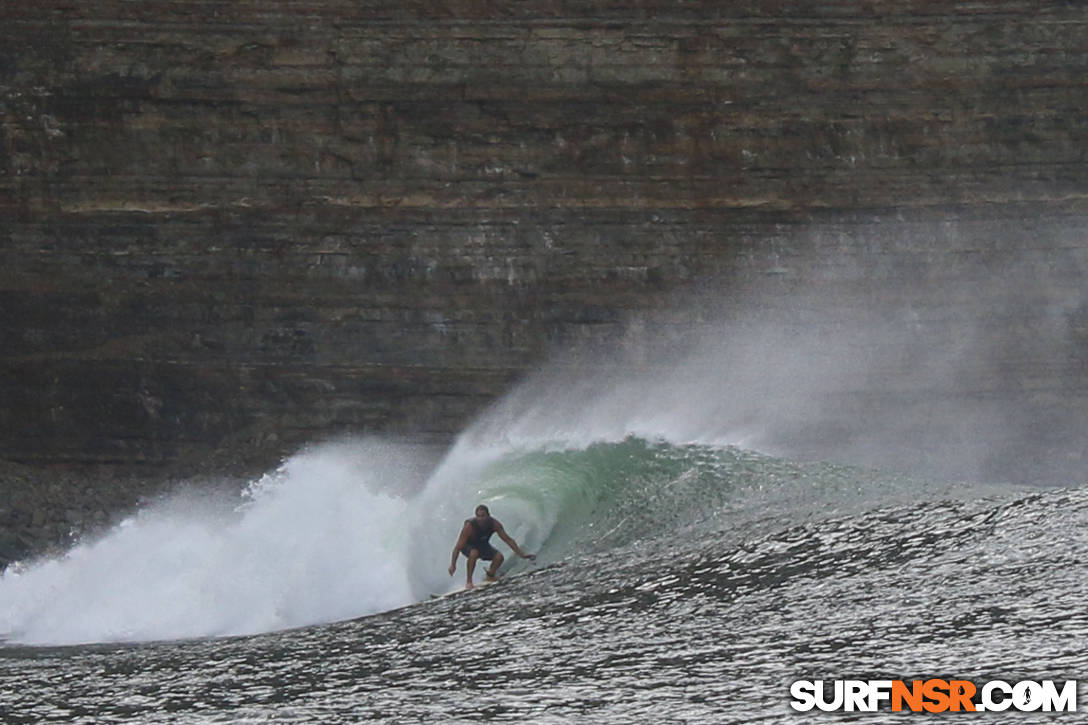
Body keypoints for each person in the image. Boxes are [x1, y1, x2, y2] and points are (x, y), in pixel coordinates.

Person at [448, 504, 535, 589]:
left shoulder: (494, 524)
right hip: (467, 546)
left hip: (482, 545)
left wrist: (522, 554)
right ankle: (469, 582)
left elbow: (508, 540)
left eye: (483, 516)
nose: (480, 519)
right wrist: (453, 565)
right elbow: (457, 548)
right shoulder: (469, 526)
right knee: (474, 553)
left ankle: (490, 575)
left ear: (488, 516)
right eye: (478, 516)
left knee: (499, 557)